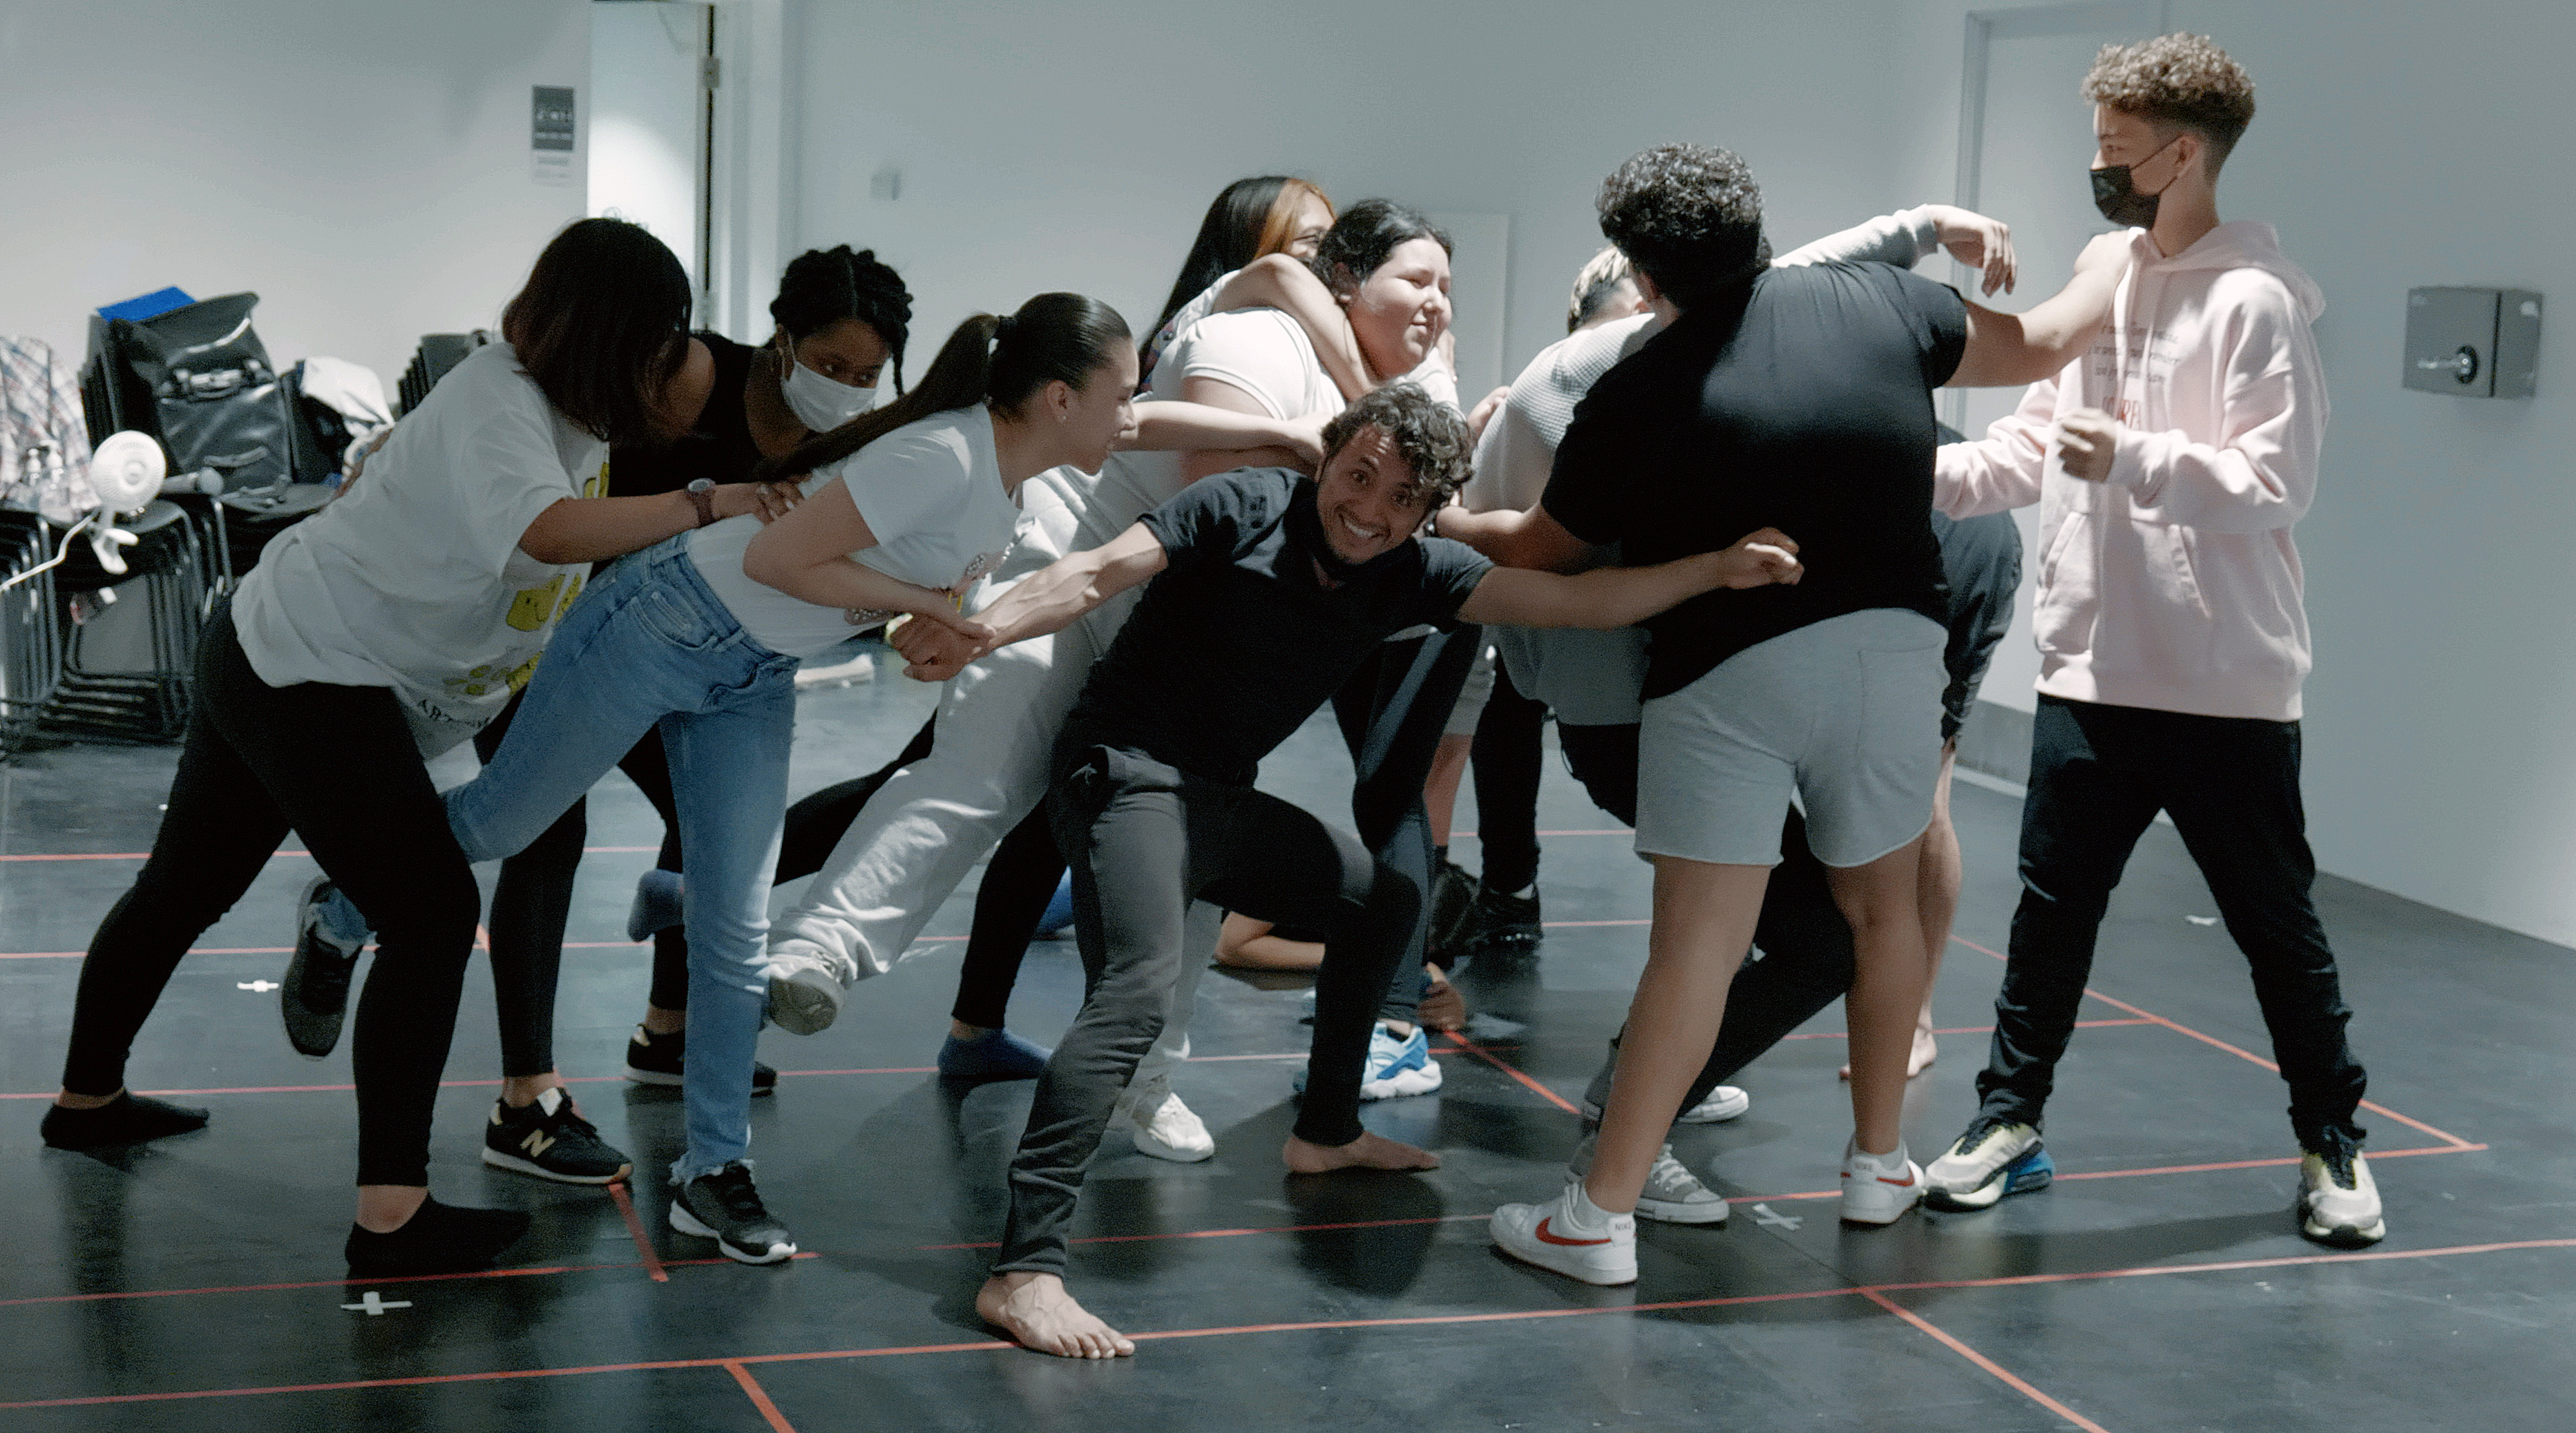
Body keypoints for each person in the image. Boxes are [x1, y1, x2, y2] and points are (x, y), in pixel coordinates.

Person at [887, 382, 1802, 1357]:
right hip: (1122, 775)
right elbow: (1093, 572)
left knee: (1384, 901)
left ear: (1426, 512)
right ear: (1326, 458)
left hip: (1215, 802)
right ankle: (1023, 1273)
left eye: (1401, 497)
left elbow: (1577, 602)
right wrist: (977, 627)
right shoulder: (1238, 507)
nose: (1368, 509)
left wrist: (1714, 568)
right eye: (1357, 475)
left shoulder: (1417, 573)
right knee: (1137, 989)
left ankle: (1323, 1132)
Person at [40, 219, 775, 1276]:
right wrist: (710, 503)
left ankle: (87, 1102)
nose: (669, 360)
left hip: (291, 647)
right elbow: (548, 533)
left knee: (190, 886)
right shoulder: (500, 399)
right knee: (428, 911)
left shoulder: (569, 412)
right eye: (658, 336)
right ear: (612, 333)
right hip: (308, 667)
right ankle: (391, 1217)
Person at [1457, 142, 2126, 1285]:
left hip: (1732, 670)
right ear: (1758, 229)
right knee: (1883, 915)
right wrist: (2125, 251)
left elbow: (1543, 551)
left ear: (1645, 274)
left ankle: (1598, 1215)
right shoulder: (1879, 300)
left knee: (1698, 947)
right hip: (1894, 654)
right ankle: (1877, 1168)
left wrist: (1444, 520)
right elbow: (2052, 338)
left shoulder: (1636, 384)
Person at [422, 294, 1138, 1265]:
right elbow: (775, 553)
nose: (1131, 420)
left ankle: (709, 1174)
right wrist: (918, 602)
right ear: (1059, 398)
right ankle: (344, 904)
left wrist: (921, 630)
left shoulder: (1003, 488)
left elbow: (863, 581)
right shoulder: (946, 454)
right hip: (662, 619)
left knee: (736, 921)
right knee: (501, 822)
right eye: (1122, 399)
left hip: (750, 670)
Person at [761, 200, 1473, 1148]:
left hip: (1174, 653)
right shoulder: (1266, 335)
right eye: (1418, 282)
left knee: (1185, 858)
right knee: (982, 775)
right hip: (1093, 575)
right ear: (1345, 279)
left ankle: (1133, 1077)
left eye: (1447, 292)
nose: (1436, 307)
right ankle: (818, 949)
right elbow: (1209, 496)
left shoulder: (1371, 398)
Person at [285, 247, 913, 1189]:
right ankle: (524, 1098)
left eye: (869, 377)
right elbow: (535, 461)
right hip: (554, 629)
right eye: (832, 367)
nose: (849, 390)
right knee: (540, 828)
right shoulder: (691, 376)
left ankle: (666, 1033)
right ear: (782, 342)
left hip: (687, 657)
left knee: (704, 829)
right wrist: (391, 452)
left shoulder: (850, 441)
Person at [1919, 35, 2379, 1249]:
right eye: (2096, 146)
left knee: (2276, 931)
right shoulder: (2100, 269)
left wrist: (2134, 461)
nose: (2098, 168)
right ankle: (2006, 1124)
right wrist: (1905, 477)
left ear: (2184, 155)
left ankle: (2331, 1144)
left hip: (2224, 685)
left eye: (2116, 152)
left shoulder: (2259, 300)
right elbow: (2029, 441)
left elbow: (2275, 483)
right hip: (2087, 670)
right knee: (2048, 916)